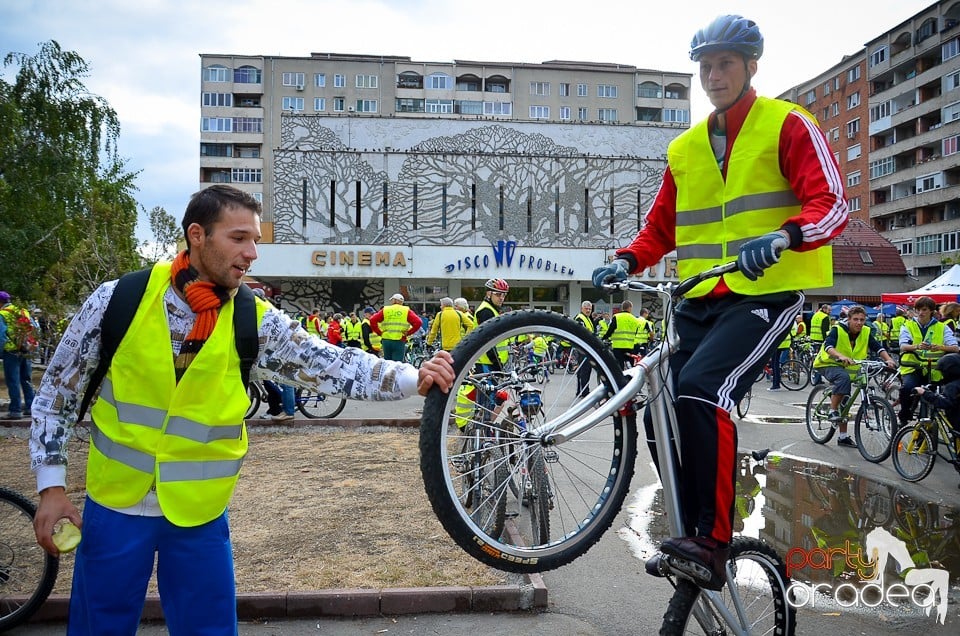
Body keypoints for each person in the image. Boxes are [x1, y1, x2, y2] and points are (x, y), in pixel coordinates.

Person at [27, 184, 454, 635]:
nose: (252, 253)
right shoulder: (119, 300)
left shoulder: (253, 318)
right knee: (98, 629)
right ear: (197, 235)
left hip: (199, 517)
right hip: (113, 508)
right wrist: (50, 488)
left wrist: (413, 377)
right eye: (239, 238)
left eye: (255, 240)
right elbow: (56, 395)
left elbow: (328, 363)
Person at [590, 14, 847, 591]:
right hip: (698, 300)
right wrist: (628, 259)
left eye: (725, 63)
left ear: (751, 65)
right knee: (662, 404)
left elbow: (831, 203)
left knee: (704, 388)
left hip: (763, 294)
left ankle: (713, 539)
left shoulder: (788, 124)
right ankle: (685, 526)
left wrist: (784, 236)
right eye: (705, 66)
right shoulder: (684, 148)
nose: (713, 74)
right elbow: (662, 228)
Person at [812, 305, 896, 446]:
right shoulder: (837, 329)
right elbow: (828, 346)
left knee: (846, 399)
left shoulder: (865, 331)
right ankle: (832, 411)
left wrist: (888, 359)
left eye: (862, 320)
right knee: (843, 380)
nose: (859, 323)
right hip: (828, 364)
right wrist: (841, 356)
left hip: (849, 367)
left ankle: (843, 437)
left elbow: (877, 347)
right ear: (849, 319)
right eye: (855, 319)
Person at [897, 295, 960, 428]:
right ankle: (904, 415)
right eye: (918, 309)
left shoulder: (942, 327)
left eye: (924, 309)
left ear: (932, 311)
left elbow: (955, 347)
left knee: (933, 397)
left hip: (935, 369)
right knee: (907, 388)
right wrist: (917, 346)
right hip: (913, 366)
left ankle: (925, 431)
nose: (921, 312)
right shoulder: (908, 325)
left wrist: (940, 347)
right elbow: (903, 346)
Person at [1, 290, 37, 420]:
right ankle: (30, 407)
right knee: (27, 379)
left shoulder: (2, 314)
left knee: (13, 381)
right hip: (26, 349)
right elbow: (34, 327)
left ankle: (15, 410)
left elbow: (1, 335)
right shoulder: (23, 311)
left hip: (11, 351)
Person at [370, 293, 423, 362]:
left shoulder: (386, 309)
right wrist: (409, 332)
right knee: (397, 364)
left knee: (387, 363)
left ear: (394, 300)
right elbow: (418, 322)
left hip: (386, 340)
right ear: (401, 302)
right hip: (399, 339)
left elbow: (372, 320)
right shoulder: (406, 310)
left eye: (392, 300)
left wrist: (379, 332)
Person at [474, 279, 510, 372]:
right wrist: (497, 364)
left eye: (504, 295)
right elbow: (487, 340)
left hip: (491, 362)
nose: (501, 298)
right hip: (487, 363)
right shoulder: (486, 311)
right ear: (489, 294)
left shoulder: (492, 310)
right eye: (498, 294)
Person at [602, 300, 640, 369]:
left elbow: (610, 330)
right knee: (630, 366)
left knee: (619, 366)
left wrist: (604, 337)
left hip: (617, 346)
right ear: (630, 308)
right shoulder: (635, 319)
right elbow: (636, 332)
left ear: (622, 307)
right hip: (629, 346)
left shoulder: (616, 317)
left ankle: (620, 378)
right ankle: (629, 378)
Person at [573, 301, 595, 397]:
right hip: (583, 348)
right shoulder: (580, 318)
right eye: (586, 308)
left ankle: (580, 390)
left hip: (586, 347)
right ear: (582, 308)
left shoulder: (587, 318)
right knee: (585, 370)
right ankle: (584, 391)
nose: (588, 310)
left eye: (590, 309)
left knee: (583, 370)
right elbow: (581, 333)